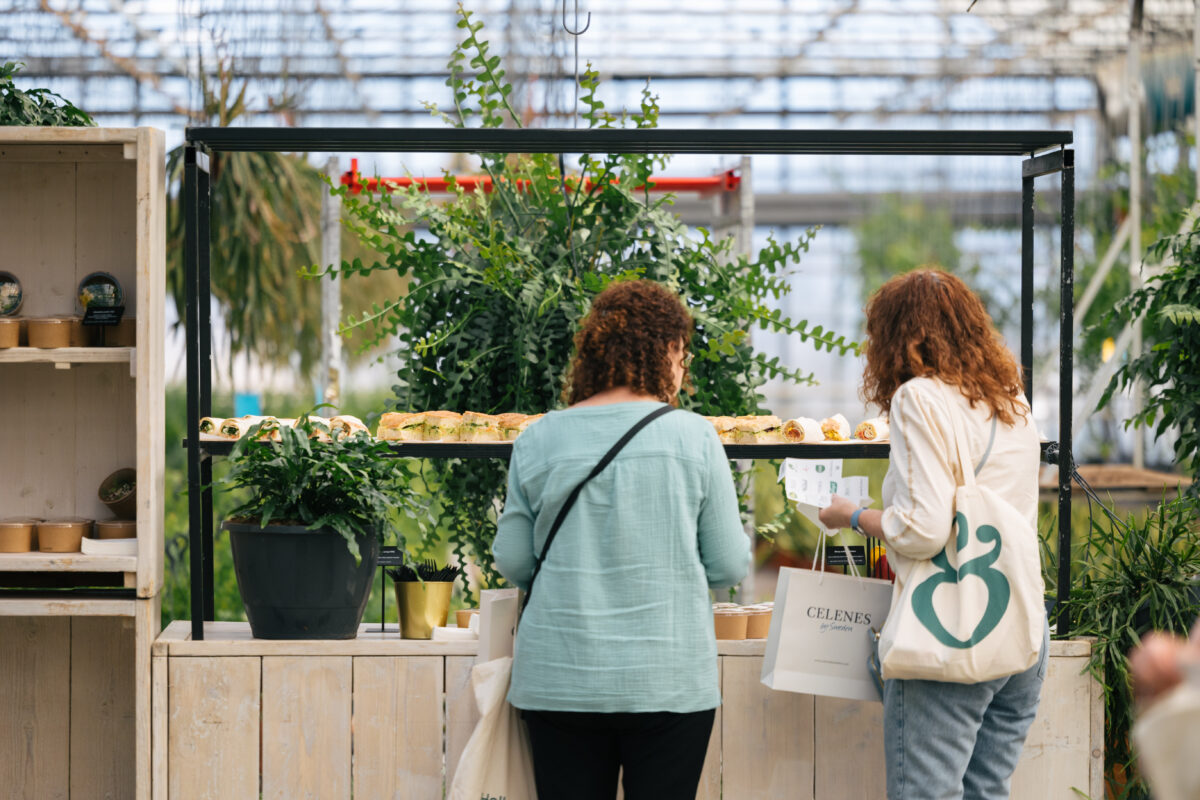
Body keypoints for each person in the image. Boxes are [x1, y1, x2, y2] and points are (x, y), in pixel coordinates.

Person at [493, 279, 751, 800]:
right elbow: (728, 565)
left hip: (560, 679)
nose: (684, 367)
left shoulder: (538, 437)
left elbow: (514, 560)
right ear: (665, 350)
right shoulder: (695, 437)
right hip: (669, 681)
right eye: (683, 352)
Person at [818, 268, 1047, 800]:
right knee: (987, 791)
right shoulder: (1011, 398)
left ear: (898, 337)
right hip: (1021, 629)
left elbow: (922, 530)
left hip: (951, 631)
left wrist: (853, 516)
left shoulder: (919, 398)